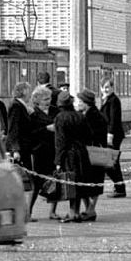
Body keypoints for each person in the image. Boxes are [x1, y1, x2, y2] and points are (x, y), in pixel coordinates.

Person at [52, 91, 89, 223]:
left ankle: (73, 213)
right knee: (79, 182)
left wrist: (58, 161)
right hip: (81, 153)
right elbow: (88, 135)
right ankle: (76, 211)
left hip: (68, 155)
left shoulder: (60, 118)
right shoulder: (80, 116)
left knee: (70, 183)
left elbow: (60, 142)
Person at [76, 89, 108, 221]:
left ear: (86, 103)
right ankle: (90, 208)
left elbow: (88, 134)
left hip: (92, 153)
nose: (78, 104)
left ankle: (90, 209)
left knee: (91, 182)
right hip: (95, 152)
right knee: (91, 182)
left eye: (80, 101)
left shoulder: (91, 116)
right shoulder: (93, 114)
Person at [28, 86, 59, 220]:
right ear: (37, 101)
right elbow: (31, 133)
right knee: (37, 182)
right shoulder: (33, 115)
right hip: (40, 151)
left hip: (54, 149)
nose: (48, 101)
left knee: (55, 180)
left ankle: (52, 211)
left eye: (50, 98)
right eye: (45, 99)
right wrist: (46, 128)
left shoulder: (55, 111)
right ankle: (29, 212)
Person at [5, 82, 34, 215]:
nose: (31, 94)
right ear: (23, 92)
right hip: (20, 149)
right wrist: (15, 149)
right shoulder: (16, 106)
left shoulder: (22, 106)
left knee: (25, 180)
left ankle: (24, 211)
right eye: (29, 91)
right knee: (22, 180)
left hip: (24, 148)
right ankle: (22, 211)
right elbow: (13, 129)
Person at [98, 78, 127, 198]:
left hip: (113, 135)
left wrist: (110, 134)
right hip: (109, 135)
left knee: (111, 162)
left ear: (112, 88)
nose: (106, 89)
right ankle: (119, 187)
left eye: (108, 87)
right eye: (104, 87)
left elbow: (113, 120)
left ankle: (120, 188)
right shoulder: (105, 100)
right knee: (113, 162)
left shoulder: (114, 100)